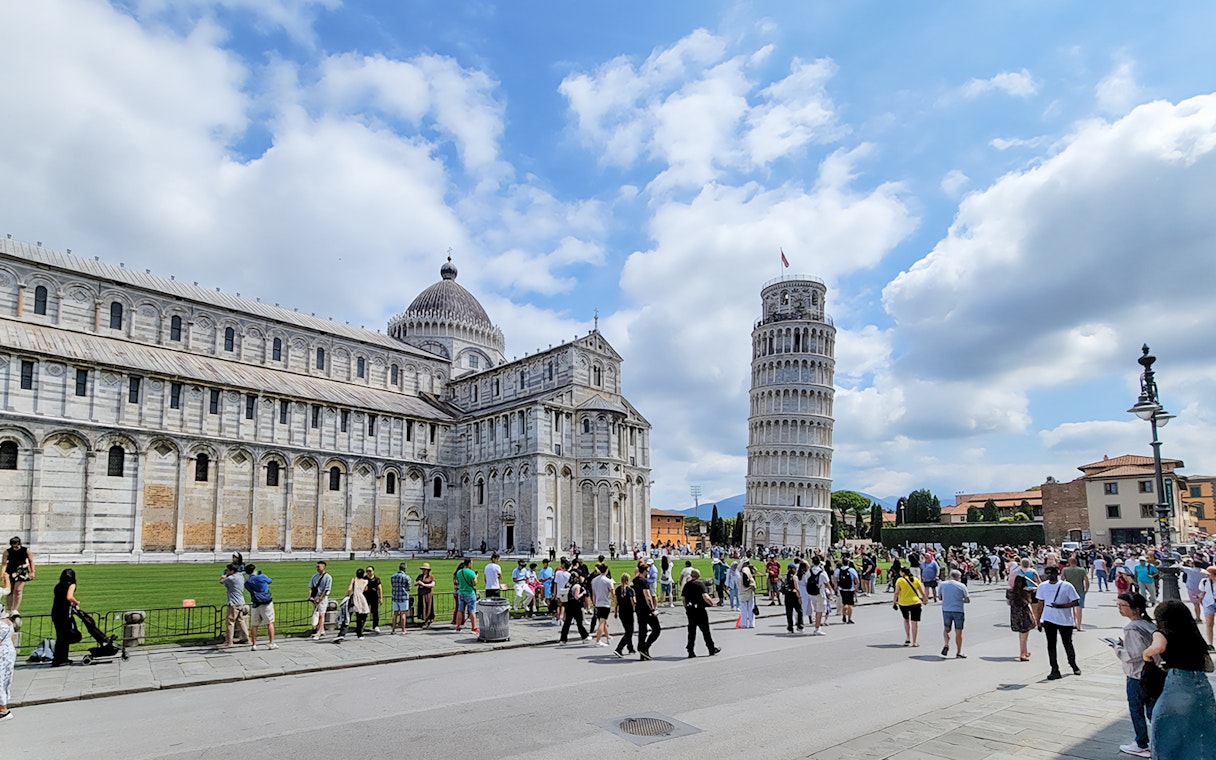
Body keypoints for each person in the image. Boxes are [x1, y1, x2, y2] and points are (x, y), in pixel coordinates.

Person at [1142, 600, 1216, 758]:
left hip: (1179, 683)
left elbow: (1158, 647)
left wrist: (1146, 654)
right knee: (1203, 732)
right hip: (1202, 686)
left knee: (1167, 730)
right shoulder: (1193, 632)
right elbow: (1208, 665)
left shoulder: (1161, 632)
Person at [1110, 592, 1156, 757]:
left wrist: (1117, 648)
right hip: (1152, 674)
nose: (1120, 609)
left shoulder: (1132, 627)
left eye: (1123, 605)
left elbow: (1133, 654)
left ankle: (1141, 743)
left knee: (1137, 709)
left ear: (1135, 609)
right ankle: (1159, 740)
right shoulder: (1148, 624)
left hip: (1137, 675)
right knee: (1152, 710)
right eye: (1119, 605)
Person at [1033, 565, 1081, 680]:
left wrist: (1061, 606)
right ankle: (1054, 669)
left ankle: (1073, 664)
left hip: (1065, 620)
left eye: (1052, 573)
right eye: (1047, 573)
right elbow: (1040, 604)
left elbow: (1075, 602)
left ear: (1058, 573)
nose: (1049, 575)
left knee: (1067, 643)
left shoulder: (1067, 586)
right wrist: (1038, 621)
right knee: (1051, 645)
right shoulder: (1042, 586)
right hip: (1049, 619)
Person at [682, 568, 720, 658]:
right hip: (699, 610)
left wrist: (686, 607)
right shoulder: (700, 584)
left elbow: (683, 599)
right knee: (705, 631)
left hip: (690, 610)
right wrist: (711, 603)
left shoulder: (687, 585)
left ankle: (690, 650)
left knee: (691, 631)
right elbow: (705, 596)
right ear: (698, 576)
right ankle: (711, 648)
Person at [939, 569, 971, 658]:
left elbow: (940, 597)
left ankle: (946, 644)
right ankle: (959, 651)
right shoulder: (962, 586)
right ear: (958, 577)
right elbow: (967, 599)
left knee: (946, 629)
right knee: (958, 632)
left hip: (946, 609)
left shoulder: (942, 584)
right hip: (958, 610)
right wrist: (961, 600)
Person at [51, 568, 80, 666]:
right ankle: (62, 658)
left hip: (55, 612)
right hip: (64, 613)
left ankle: (58, 658)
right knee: (64, 637)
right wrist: (76, 602)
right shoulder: (71, 585)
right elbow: (69, 597)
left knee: (60, 636)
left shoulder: (58, 586)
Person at [243, 564, 276, 650]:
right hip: (266, 602)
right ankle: (271, 643)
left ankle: (254, 644)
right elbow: (270, 581)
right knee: (269, 623)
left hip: (255, 603)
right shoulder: (261, 577)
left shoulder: (248, 582)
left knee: (254, 625)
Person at [633, 561, 661, 660]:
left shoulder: (635, 580)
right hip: (646, 608)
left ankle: (642, 650)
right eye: (647, 571)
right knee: (656, 629)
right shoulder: (644, 581)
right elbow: (648, 596)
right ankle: (645, 647)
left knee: (642, 629)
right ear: (644, 571)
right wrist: (653, 608)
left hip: (639, 608)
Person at [893, 566, 926, 647]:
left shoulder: (900, 580)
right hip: (915, 602)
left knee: (906, 620)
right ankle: (914, 641)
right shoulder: (915, 579)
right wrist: (925, 599)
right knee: (914, 622)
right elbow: (922, 591)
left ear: (903, 572)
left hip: (903, 603)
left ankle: (908, 638)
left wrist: (894, 602)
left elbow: (896, 592)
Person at [219, 563, 250, 648]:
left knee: (230, 622)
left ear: (232, 571)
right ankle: (246, 638)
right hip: (241, 601)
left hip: (233, 603)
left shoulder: (231, 578)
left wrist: (224, 575)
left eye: (228, 570)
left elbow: (221, 581)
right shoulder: (240, 576)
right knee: (240, 620)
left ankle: (229, 641)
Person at [1008, 574, 1037, 661]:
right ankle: (1022, 654)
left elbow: (1008, 602)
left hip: (1015, 614)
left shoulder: (1010, 591)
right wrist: (1028, 579)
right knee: (1024, 636)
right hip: (1024, 614)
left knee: (1021, 635)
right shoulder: (1026, 591)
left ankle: (1025, 651)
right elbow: (1038, 586)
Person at [2, 537, 33, 614]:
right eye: (13, 546)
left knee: (18, 590)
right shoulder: (7, 552)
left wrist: (32, 571)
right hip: (10, 571)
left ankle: (15, 609)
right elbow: (4, 564)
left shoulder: (25, 550)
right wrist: (2, 574)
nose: (15, 548)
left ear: (19, 544)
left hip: (21, 571)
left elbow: (31, 561)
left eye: (16, 546)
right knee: (9, 591)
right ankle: (9, 609)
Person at [337, 568, 370, 641]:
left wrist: (346, 596)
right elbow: (365, 589)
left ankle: (342, 633)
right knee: (361, 617)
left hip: (353, 599)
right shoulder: (365, 581)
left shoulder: (354, 580)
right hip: (361, 599)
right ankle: (360, 633)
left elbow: (349, 589)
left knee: (347, 616)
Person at [559, 570, 590, 645]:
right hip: (576, 605)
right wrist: (583, 593)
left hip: (568, 605)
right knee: (579, 622)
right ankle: (584, 636)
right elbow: (577, 597)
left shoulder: (567, 585)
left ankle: (563, 639)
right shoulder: (577, 586)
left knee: (567, 623)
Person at [1062, 554, 1090, 632]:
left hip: (1068, 591)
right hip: (1079, 590)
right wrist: (1086, 590)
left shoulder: (1065, 570)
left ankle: (1070, 623)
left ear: (1069, 562)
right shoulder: (1082, 570)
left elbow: (1062, 580)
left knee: (1069, 608)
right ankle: (1079, 625)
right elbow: (1086, 580)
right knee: (1079, 608)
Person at [590, 563, 614, 647]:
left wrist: (594, 603)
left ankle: (607, 636)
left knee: (603, 621)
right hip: (605, 603)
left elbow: (593, 594)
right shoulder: (608, 581)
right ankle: (598, 640)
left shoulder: (594, 580)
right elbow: (612, 592)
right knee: (602, 622)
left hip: (597, 602)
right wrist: (615, 601)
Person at [613, 572, 636, 658]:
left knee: (627, 630)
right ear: (628, 580)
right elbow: (633, 601)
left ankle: (630, 648)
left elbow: (616, 602)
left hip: (621, 612)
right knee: (629, 632)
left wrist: (615, 611)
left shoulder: (618, 589)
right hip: (629, 612)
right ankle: (619, 648)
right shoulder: (630, 590)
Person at [308, 561, 333, 640]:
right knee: (317, 614)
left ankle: (319, 632)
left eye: (319, 567)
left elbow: (326, 589)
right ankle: (321, 630)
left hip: (322, 598)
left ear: (323, 567)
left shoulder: (328, 577)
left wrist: (320, 598)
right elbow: (311, 587)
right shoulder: (314, 576)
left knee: (321, 615)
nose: (317, 568)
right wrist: (310, 597)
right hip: (315, 597)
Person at [454, 558, 478, 633]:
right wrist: (476, 576)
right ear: (469, 564)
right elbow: (475, 583)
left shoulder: (459, 572)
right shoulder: (471, 572)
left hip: (461, 592)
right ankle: (473, 627)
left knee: (460, 610)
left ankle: (458, 627)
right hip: (469, 593)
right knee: (472, 611)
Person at [390, 563, 412, 634]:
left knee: (395, 614)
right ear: (405, 569)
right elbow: (409, 587)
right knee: (403, 614)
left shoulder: (393, 576)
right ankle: (403, 630)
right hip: (403, 597)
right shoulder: (406, 577)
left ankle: (393, 629)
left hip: (395, 596)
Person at [0, 604, 13, 720]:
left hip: (2, 654)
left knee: (1, 681)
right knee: (4, 680)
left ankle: (3, 709)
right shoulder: (8, 622)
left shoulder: (1, 625)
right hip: (8, 653)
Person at [837, 559, 859, 624]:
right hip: (850, 589)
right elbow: (857, 580)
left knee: (844, 603)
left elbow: (835, 579)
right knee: (850, 604)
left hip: (842, 589)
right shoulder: (851, 570)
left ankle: (844, 615)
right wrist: (856, 587)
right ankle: (849, 618)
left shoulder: (839, 570)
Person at [782, 567, 803, 633]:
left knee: (789, 612)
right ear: (793, 569)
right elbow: (796, 587)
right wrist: (799, 596)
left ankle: (790, 628)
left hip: (787, 594)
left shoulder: (785, 577)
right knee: (799, 610)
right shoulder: (794, 577)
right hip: (794, 594)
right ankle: (800, 626)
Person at [415, 563, 435, 628]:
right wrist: (418, 583)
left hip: (428, 594)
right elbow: (415, 583)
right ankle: (423, 619)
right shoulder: (420, 576)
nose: (424, 571)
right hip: (421, 594)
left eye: (425, 569)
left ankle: (427, 620)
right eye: (423, 569)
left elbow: (432, 585)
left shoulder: (431, 577)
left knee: (428, 607)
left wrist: (423, 584)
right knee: (422, 607)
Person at [738, 562, 757, 629]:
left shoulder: (739, 579)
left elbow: (738, 587)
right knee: (751, 610)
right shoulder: (751, 579)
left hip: (742, 596)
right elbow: (754, 587)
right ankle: (752, 623)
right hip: (750, 595)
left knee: (743, 611)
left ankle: (744, 624)